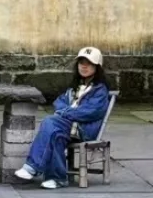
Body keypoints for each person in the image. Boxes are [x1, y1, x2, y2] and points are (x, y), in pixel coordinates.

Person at [13, 46, 111, 189]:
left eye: (89, 63)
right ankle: (58, 178)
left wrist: (65, 113)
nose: (84, 66)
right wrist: (67, 111)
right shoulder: (75, 87)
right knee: (56, 135)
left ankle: (32, 166)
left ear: (97, 67)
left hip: (84, 130)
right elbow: (59, 102)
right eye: (81, 62)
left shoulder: (100, 90)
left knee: (49, 121)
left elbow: (90, 112)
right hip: (66, 127)